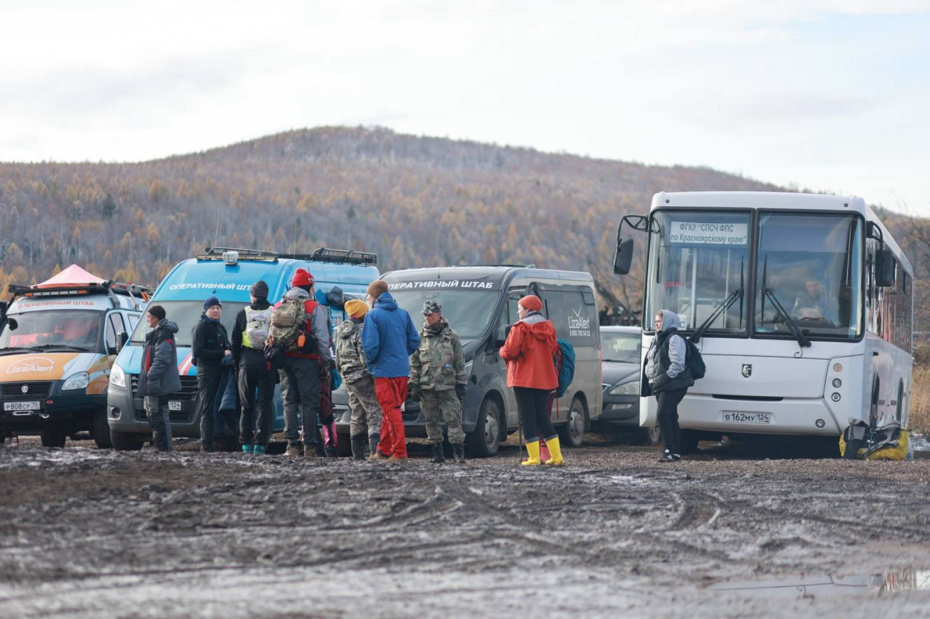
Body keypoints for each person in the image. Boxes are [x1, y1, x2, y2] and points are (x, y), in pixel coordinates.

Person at [499, 294, 564, 467]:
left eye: (520, 308)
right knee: (543, 416)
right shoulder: (549, 327)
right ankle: (557, 457)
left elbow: (510, 351)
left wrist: (501, 351)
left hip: (524, 379)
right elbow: (553, 349)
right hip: (545, 378)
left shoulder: (520, 327)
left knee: (527, 417)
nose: (518, 312)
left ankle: (534, 458)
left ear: (527, 309)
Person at [275, 268, 332, 459]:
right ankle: (310, 446)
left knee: (289, 401)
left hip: (284, 360)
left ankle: (292, 445)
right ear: (308, 286)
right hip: (307, 361)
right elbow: (322, 338)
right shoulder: (313, 307)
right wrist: (326, 361)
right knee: (309, 403)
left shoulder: (279, 305)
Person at [362, 280, 420, 463]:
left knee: (392, 412)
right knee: (390, 411)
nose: (368, 299)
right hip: (402, 371)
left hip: (384, 372)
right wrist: (400, 355)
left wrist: (371, 364)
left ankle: (400, 453)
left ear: (375, 296)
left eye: (369, 296)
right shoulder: (403, 314)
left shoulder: (373, 316)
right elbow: (414, 341)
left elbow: (370, 347)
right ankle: (383, 450)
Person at [409, 300, 468, 464]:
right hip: (427, 385)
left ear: (439, 315)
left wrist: (461, 383)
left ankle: (458, 454)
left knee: (453, 419)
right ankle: (437, 453)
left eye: (430, 314)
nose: (427, 318)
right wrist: (414, 384)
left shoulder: (451, 336)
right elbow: (415, 363)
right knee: (431, 420)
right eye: (425, 315)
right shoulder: (420, 337)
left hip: (448, 385)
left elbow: (460, 362)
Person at [643, 310, 694, 462]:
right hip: (660, 384)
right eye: (655, 322)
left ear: (667, 322)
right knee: (670, 416)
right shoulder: (657, 339)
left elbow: (677, 364)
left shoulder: (675, 339)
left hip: (673, 384)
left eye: (659, 321)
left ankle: (668, 450)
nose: (656, 324)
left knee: (662, 415)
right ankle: (675, 452)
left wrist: (663, 378)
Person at [231, 280, 276, 455]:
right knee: (264, 405)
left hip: (246, 362)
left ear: (252, 295)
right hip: (267, 362)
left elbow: (235, 341)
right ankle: (260, 444)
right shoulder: (274, 312)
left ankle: (246, 444)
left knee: (246, 405)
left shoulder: (243, 313)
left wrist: (237, 365)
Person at [334, 299, 382, 460]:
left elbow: (337, 358)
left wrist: (344, 373)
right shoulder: (361, 330)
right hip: (361, 377)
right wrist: (373, 374)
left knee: (357, 413)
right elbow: (364, 357)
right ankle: (375, 452)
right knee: (374, 411)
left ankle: (357, 455)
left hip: (348, 377)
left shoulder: (341, 330)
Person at [192, 295, 232, 452]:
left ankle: (220, 440)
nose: (216, 310)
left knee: (219, 408)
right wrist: (222, 353)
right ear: (206, 310)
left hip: (221, 373)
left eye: (218, 308)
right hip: (207, 374)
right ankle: (206, 445)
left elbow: (227, 347)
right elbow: (198, 351)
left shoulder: (220, 327)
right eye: (212, 308)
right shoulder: (200, 327)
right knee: (207, 409)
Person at [138, 305, 180, 452]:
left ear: (156, 318)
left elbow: (162, 359)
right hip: (156, 382)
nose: (147, 320)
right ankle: (161, 446)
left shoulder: (163, 334)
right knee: (154, 414)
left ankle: (163, 448)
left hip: (159, 383)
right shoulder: (159, 333)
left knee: (158, 415)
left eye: (149, 317)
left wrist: (150, 375)